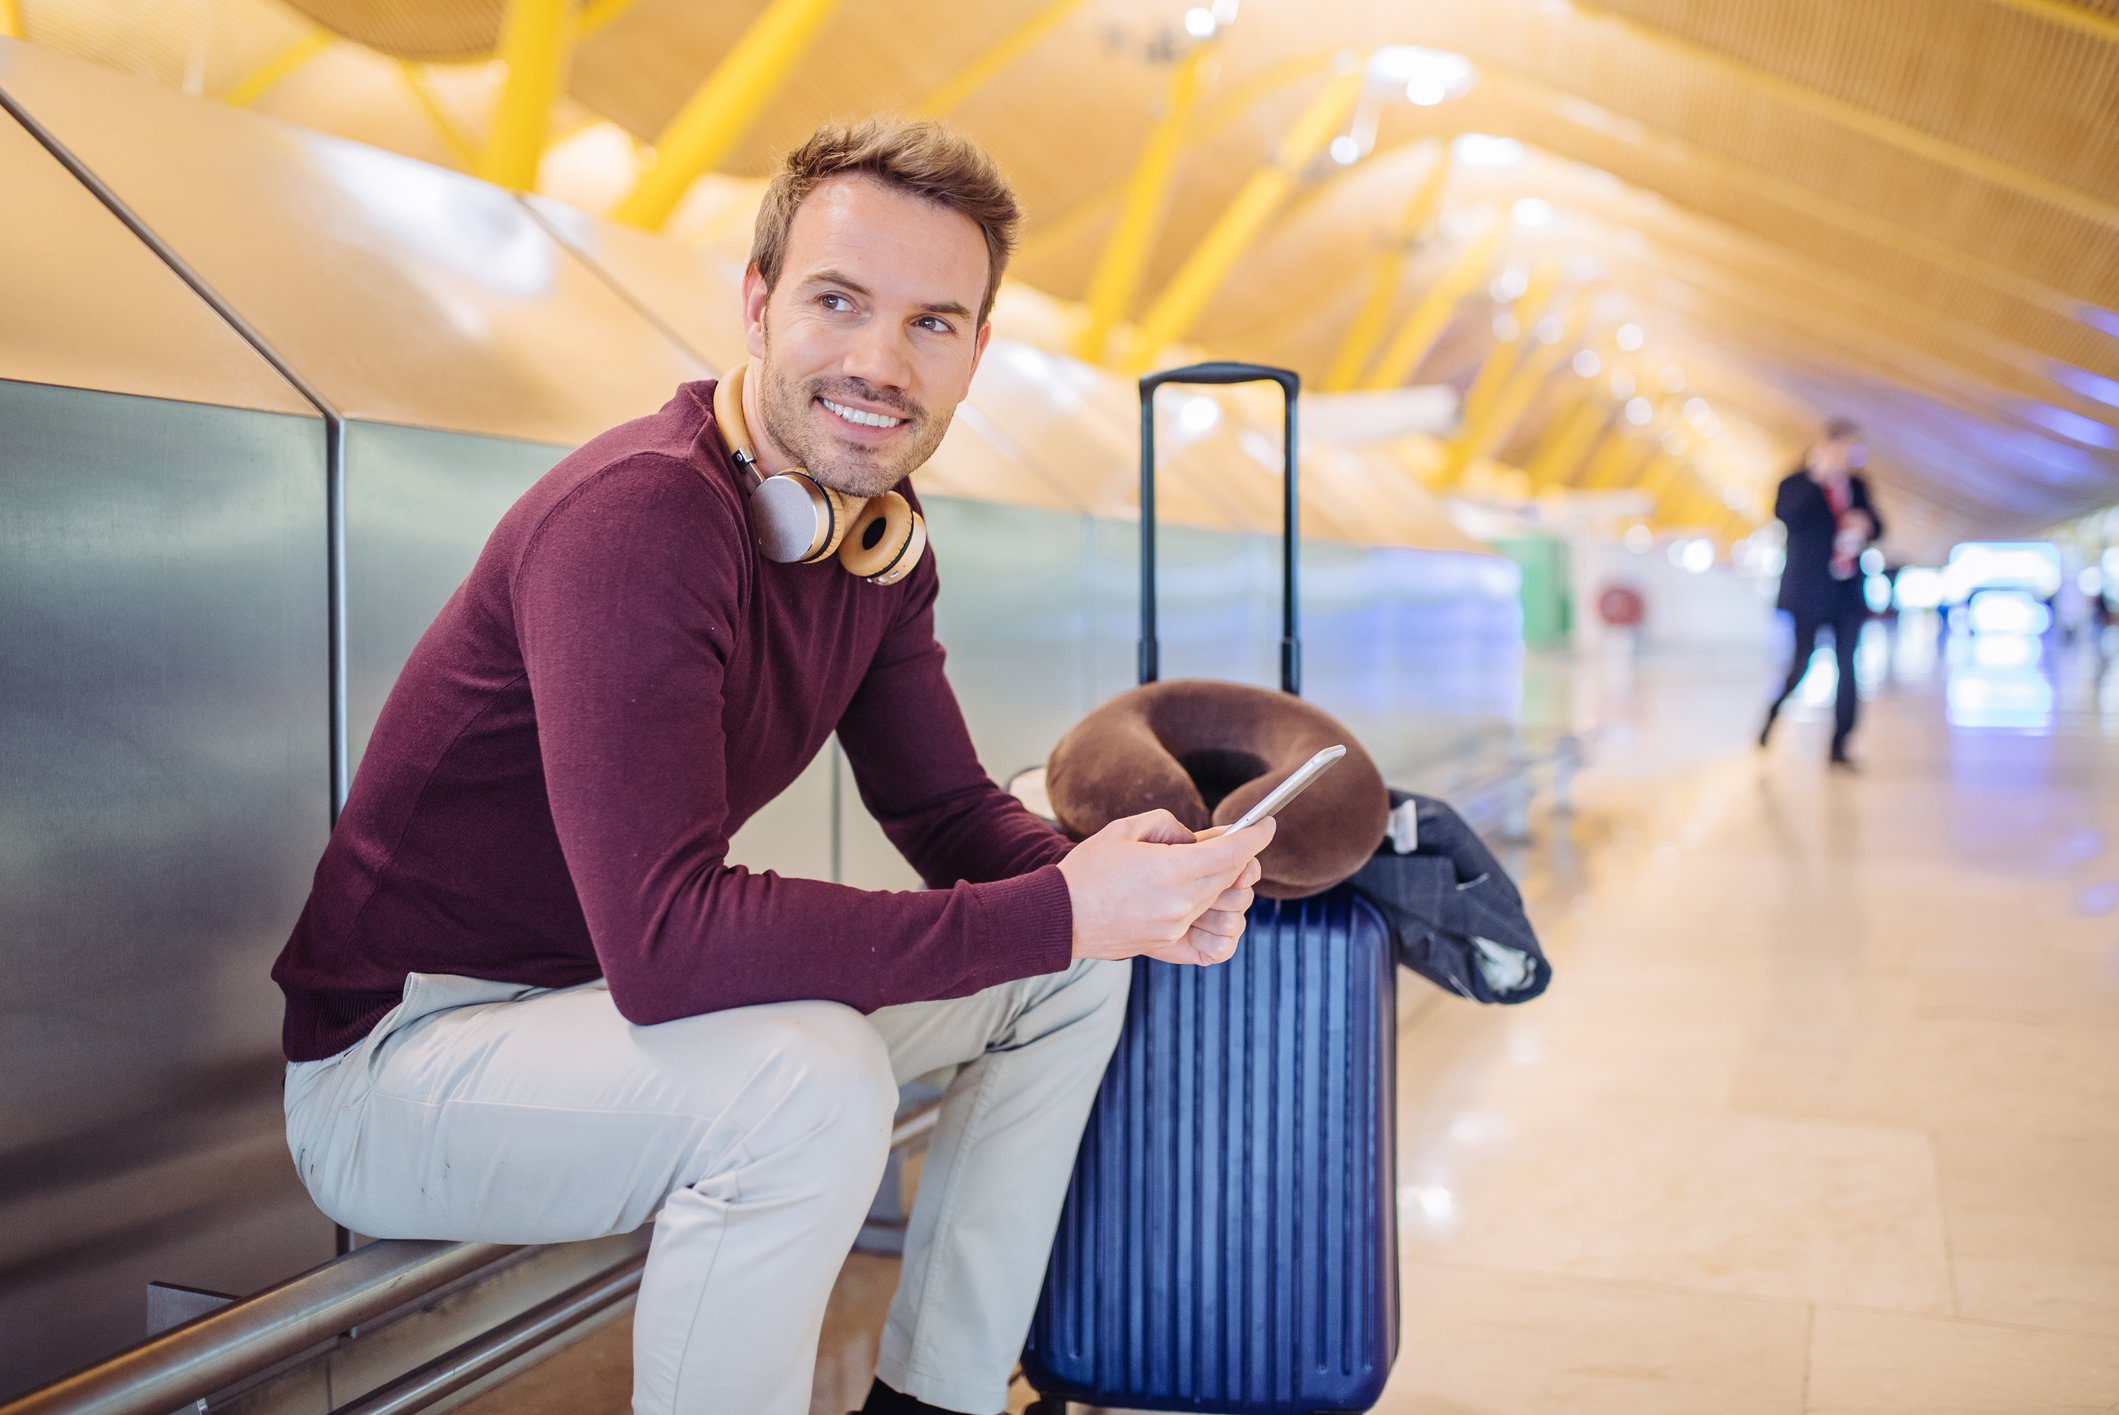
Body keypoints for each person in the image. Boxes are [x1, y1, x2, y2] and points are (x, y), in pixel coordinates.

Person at [269, 119, 1272, 1415]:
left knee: (1068, 979)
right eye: (838, 301)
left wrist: (1122, 890)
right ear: (755, 305)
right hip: (407, 1064)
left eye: (930, 322)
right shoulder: (638, 519)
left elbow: (942, 805)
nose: (878, 359)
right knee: (809, 1081)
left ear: (974, 350)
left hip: (606, 1027)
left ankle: (937, 1400)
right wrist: (1059, 903)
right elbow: (670, 939)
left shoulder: (872, 540)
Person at [1757, 418, 1886, 768]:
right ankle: (1770, 718)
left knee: (1849, 668)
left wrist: (1865, 524)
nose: (1851, 457)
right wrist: (1818, 479)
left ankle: (1840, 745)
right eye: (1845, 448)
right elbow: (1785, 515)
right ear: (1827, 446)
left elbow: (1879, 525)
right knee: (1802, 664)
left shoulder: (1857, 487)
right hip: (1808, 592)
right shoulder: (1796, 483)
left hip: (1846, 592)